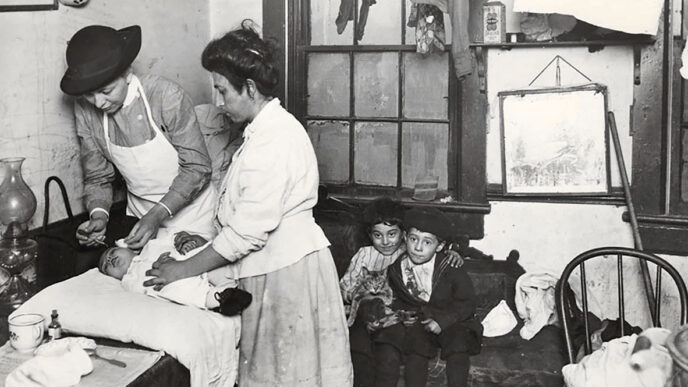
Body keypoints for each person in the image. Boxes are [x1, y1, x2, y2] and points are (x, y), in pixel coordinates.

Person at [143, 20, 353, 386]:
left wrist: (182, 270)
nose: (219, 104)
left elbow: (246, 233)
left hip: (288, 275)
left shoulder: (274, 139)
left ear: (251, 88)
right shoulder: (260, 133)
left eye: (223, 92)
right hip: (275, 268)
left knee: (287, 376)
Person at [60, 24, 217, 250]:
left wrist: (156, 216)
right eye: (88, 95)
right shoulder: (85, 110)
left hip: (193, 218)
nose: (98, 103)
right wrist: (99, 216)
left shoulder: (165, 96)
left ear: (126, 73)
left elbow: (197, 168)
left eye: (106, 91)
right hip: (138, 220)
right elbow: (97, 177)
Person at [340, 198, 464, 387]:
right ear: (369, 235)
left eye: (392, 234)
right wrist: (358, 292)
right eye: (377, 235)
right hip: (364, 312)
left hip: (394, 316)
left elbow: (434, 251)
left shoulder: (408, 252)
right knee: (359, 349)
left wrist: (452, 252)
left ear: (403, 235)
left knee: (388, 353)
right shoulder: (364, 254)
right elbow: (345, 288)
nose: (385, 241)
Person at [373, 207, 482, 387]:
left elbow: (467, 302)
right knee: (416, 346)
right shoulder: (396, 269)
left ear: (439, 246)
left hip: (453, 320)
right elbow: (398, 300)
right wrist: (403, 315)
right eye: (413, 239)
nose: (417, 247)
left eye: (427, 242)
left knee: (458, 344)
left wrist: (443, 321)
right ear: (405, 237)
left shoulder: (450, 266)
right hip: (422, 323)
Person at [97, 232, 251, 316]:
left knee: (208, 260)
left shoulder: (150, 246)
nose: (110, 260)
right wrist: (156, 266)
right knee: (181, 293)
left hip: (191, 261)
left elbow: (174, 239)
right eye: (106, 266)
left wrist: (184, 242)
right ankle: (221, 298)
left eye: (112, 252)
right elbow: (141, 291)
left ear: (125, 247)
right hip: (170, 283)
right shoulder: (128, 280)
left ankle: (232, 280)